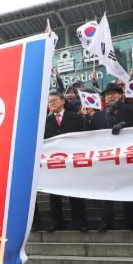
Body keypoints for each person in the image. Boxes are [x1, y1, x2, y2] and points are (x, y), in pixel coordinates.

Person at [87, 82, 133, 232]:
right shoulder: (98, 115)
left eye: (113, 93)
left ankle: (131, 222)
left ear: (120, 94)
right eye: (107, 94)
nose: (110, 96)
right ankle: (106, 222)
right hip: (106, 160)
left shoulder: (132, 110)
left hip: (127, 159)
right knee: (106, 192)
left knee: (130, 191)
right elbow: (90, 137)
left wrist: (126, 126)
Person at [44, 91, 88, 232]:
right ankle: (57, 222)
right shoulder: (44, 122)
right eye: (50, 102)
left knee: (75, 193)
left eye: (55, 100)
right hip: (54, 164)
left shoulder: (75, 118)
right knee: (54, 195)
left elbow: (83, 138)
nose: (52, 104)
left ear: (63, 101)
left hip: (72, 162)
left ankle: (80, 222)